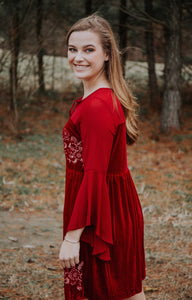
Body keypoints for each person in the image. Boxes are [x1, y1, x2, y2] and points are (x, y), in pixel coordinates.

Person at [59, 14, 146, 300]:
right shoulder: (100, 98)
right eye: (73, 49)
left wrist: (72, 238)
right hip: (106, 206)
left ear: (107, 54)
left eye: (88, 49)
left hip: (101, 214)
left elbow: (94, 176)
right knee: (124, 292)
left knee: (113, 292)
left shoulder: (97, 106)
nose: (78, 57)